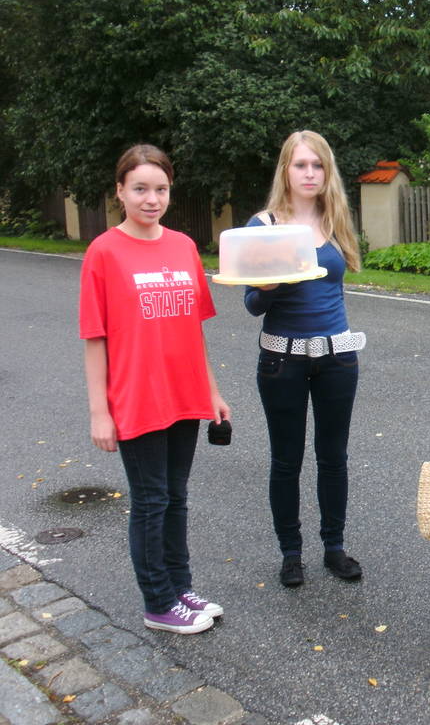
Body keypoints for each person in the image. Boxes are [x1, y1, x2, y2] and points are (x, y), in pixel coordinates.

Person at [80, 144, 231, 635]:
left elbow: (194, 328)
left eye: (160, 189)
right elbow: (95, 337)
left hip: (184, 394)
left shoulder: (184, 246)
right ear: (120, 191)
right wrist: (100, 412)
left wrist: (212, 391)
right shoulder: (103, 252)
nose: (152, 199)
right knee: (151, 501)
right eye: (140, 188)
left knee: (177, 496)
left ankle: (180, 588)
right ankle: (158, 602)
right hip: (136, 398)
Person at [244, 130, 364, 588]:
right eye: (300, 165)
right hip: (283, 361)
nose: (309, 173)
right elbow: (252, 303)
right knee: (286, 461)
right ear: (286, 171)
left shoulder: (335, 221)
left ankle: (334, 548)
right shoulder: (265, 226)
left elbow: (334, 290)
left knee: (334, 458)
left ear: (326, 170)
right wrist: (270, 286)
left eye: (317, 165)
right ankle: (290, 554)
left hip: (337, 357)